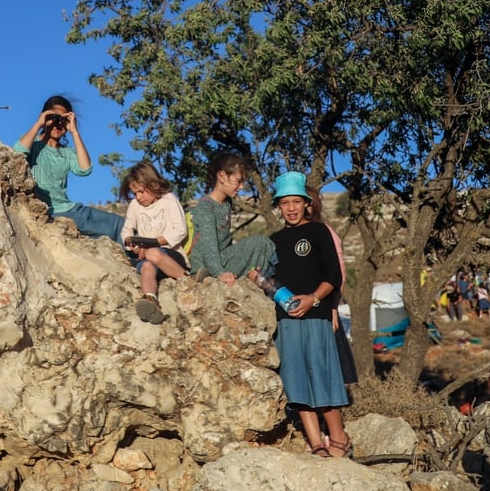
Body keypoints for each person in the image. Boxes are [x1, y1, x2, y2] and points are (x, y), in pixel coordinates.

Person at [261, 171, 350, 458]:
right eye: (284, 202)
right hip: (286, 320)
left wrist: (313, 299)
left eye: (296, 202)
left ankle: (338, 438)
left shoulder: (319, 231)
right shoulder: (272, 240)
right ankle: (315, 444)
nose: (290, 208)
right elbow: (268, 280)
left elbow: (333, 275)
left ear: (306, 203)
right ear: (278, 206)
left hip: (316, 315)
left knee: (322, 377)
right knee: (296, 381)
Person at [13, 95, 124, 241]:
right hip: (46, 211)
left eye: (63, 120)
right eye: (54, 118)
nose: (58, 124)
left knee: (119, 224)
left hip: (69, 210)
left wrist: (74, 132)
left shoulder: (67, 153)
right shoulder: (33, 144)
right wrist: (39, 124)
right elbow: (17, 153)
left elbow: (85, 169)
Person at [187, 153, 274, 284]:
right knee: (261, 242)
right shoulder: (206, 207)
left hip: (223, 258)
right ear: (222, 176)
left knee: (262, 244)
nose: (241, 187)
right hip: (207, 265)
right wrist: (219, 272)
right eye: (238, 181)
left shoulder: (227, 203)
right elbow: (209, 246)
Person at [120, 161, 189, 324]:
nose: (138, 197)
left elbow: (180, 230)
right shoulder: (135, 206)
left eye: (141, 192)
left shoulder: (169, 200)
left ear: (153, 185)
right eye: (134, 193)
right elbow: (126, 231)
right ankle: (151, 300)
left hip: (171, 255)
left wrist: (153, 243)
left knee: (153, 253)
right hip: (148, 256)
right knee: (146, 266)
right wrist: (132, 244)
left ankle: (186, 279)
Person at [306, 184, 358, 386]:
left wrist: (334, 306)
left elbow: (339, 271)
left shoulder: (324, 231)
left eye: (309, 203)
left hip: (323, 306)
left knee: (328, 373)